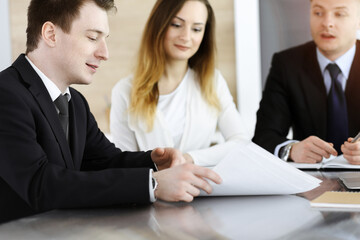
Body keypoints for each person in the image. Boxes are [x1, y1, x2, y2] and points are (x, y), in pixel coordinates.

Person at [0, 0, 222, 223]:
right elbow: (40, 184)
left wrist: (153, 162)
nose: (104, 53)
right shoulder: (6, 94)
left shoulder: (75, 102)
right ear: (50, 34)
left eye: (104, 40)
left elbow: (104, 161)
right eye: (92, 37)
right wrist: (152, 184)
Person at [110, 0, 248, 167]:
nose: (186, 37)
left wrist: (189, 158)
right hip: (151, 192)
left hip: (201, 189)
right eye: (176, 25)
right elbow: (123, 165)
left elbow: (241, 143)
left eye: (196, 29)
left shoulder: (213, 81)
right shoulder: (124, 91)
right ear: (159, 25)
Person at [253, 0, 360, 164]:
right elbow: (264, 136)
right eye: (318, 13)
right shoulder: (287, 64)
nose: (327, 23)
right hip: (310, 181)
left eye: (339, 14)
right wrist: (291, 150)